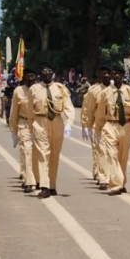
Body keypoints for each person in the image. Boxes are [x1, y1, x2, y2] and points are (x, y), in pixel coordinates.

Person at [92, 65, 130, 196]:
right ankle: (115, 184)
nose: (116, 76)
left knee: (123, 156)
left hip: (127, 126)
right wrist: (97, 130)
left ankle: (122, 182)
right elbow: (101, 113)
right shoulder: (105, 92)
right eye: (114, 74)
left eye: (119, 73)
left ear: (123, 75)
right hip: (110, 125)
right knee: (111, 155)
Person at [30, 64, 76, 199]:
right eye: (44, 72)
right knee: (43, 154)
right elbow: (29, 110)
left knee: (54, 155)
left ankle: (52, 185)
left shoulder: (61, 89)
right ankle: (44, 186)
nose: (47, 74)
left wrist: (69, 123)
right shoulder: (34, 89)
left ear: (53, 73)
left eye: (49, 72)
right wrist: (29, 128)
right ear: (40, 74)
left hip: (57, 122)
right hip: (40, 122)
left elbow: (69, 107)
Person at [8, 69, 40, 194]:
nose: (31, 78)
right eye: (28, 76)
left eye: (33, 75)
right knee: (27, 152)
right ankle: (28, 181)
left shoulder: (40, 90)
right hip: (24, 124)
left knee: (38, 154)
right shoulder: (19, 91)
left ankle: (38, 179)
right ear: (24, 77)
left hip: (39, 125)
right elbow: (14, 111)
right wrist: (14, 131)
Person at [82, 66, 111, 186]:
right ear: (98, 75)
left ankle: (109, 174)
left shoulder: (115, 89)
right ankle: (102, 176)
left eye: (107, 73)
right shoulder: (93, 91)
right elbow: (88, 110)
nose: (106, 76)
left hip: (113, 125)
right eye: (102, 73)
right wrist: (87, 126)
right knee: (100, 150)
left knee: (111, 153)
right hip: (98, 124)